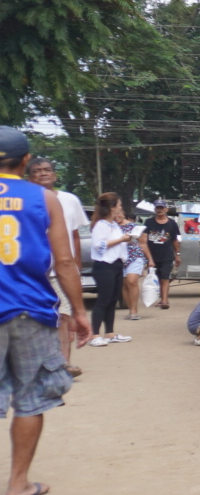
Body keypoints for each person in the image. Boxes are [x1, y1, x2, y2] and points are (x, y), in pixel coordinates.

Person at [0, 127, 91, 495]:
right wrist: (80, 311)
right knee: (31, 398)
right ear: (26, 162)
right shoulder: (44, 198)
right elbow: (65, 260)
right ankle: (18, 483)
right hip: (29, 309)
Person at [27, 159, 87, 377]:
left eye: (47, 170)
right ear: (29, 176)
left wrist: (76, 263)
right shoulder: (24, 201)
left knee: (64, 316)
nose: (42, 174)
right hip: (33, 272)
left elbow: (74, 235)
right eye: (37, 171)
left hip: (61, 271)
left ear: (55, 175)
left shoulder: (70, 200)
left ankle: (64, 364)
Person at [87, 193, 133, 346]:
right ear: (112, 207)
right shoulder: (101, 225)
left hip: (117, 264)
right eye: (119, 205)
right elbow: (98, 245)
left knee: (113, 300)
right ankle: (94, 335)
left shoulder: (113, 224)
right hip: (104, 266)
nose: (120, 208)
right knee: (103, 300)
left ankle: (109, 333)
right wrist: (121, 239)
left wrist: (124, 238)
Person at [143, 200, 180, 309]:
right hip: (152, 256)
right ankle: (159, 298)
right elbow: (144, 241)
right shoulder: (148, 223)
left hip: (167, 255)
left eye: (161, 208)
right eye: (157, 208)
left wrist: (177, 254)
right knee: (156, 278)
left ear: (166, 209)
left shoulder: (172, 223)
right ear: (154, 210)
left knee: (165, 277)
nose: (159, 210)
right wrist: (147, 257)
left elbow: (175, 240)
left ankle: (164, 300)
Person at [119, 206, 151, 321]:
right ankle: (130, 309)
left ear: (123, 214)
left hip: (135, 256)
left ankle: (134, 311)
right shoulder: (111, 227)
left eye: (119, 214)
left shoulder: (134, 227)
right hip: (119, 259)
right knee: (124, 284)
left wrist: (150, 260)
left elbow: (143, 244)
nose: (117, 216)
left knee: (131, 281)